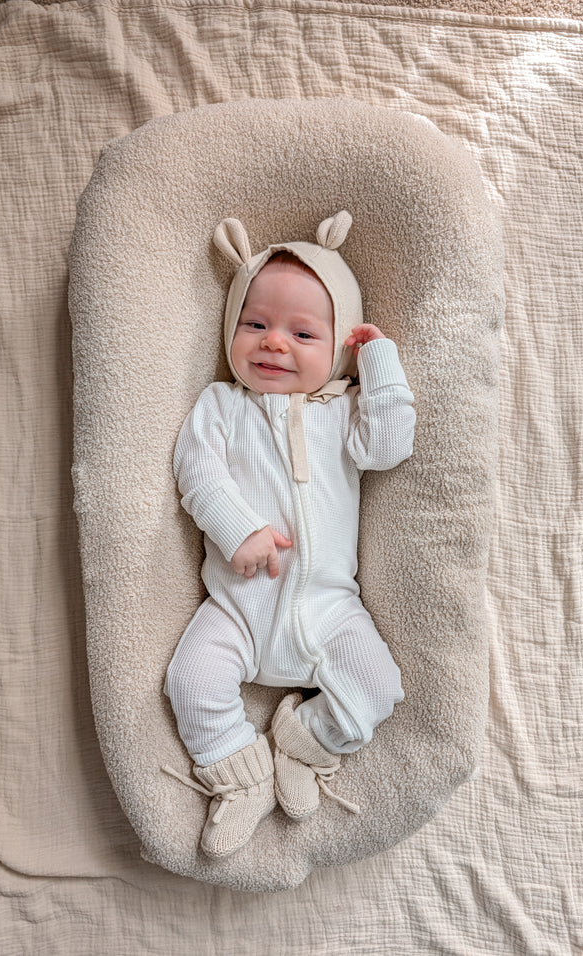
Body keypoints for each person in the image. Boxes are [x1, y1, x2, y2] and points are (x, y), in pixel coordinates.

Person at [164, 211, 416, 858]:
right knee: (190, 680)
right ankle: (240, 776)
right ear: (231, 333)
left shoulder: (343, 410)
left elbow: (390, 447)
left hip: (330, 607)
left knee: (379, 685)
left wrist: (379, 361)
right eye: (255, 325)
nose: (274, 343)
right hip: (238, 608)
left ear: (336, 346)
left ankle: (302, 743)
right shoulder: (220, 408)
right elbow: (197, 473)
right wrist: (238, 528)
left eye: (302, 332)